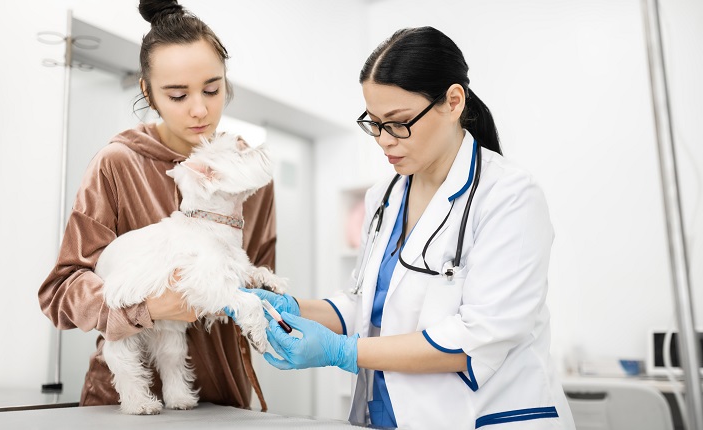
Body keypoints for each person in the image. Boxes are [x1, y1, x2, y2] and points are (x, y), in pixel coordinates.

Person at [244, 27, 576, 429]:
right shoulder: (382, 197)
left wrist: (342, 352)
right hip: (387, 415)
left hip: (483, 416)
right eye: (375, 123)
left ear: (453, 102)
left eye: (399, 123)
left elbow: (475, 340)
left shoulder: (509, 195)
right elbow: (362, 304)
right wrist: (295, 308)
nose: (384, 140)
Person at [38, 0, 276, 411]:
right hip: (123, 404)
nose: (200, 109)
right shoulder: (117, 164)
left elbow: (259, 273)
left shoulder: (244, 173)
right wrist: (147, 308)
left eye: (213, 89)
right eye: (178, 94)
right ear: (147, 91)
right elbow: (61, 291)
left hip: (225, 393)